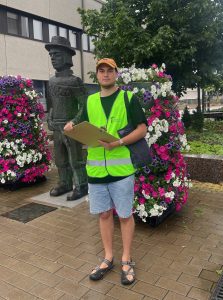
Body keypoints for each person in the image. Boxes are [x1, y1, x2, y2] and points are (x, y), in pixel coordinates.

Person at [64, 58, 147, 285]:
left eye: (109, 70)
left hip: (121, 170)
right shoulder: (90, 101)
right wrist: (71, 125)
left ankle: (126, 259)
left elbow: (142, 128)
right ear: (97, 75)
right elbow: (79, 123)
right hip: (97, 172)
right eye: (101, 71)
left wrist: (118, 143)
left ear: (116, 74)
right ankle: (108, 257)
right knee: (103, 214)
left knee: (125, 215)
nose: (105, 74)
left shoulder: (128, 98)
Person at [45, 36, 88, 201]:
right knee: (60, 159)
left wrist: (75, 121)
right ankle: (65, 183)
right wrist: (49, 116)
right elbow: (52, 104)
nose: (53, 58)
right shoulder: (51, 81)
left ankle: (82, 185)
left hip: (71, 128)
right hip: (56, 127)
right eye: (51, 56)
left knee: (75, 159)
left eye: (56, 54)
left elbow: (85, 106)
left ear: (66, 56)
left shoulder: (74, 81)